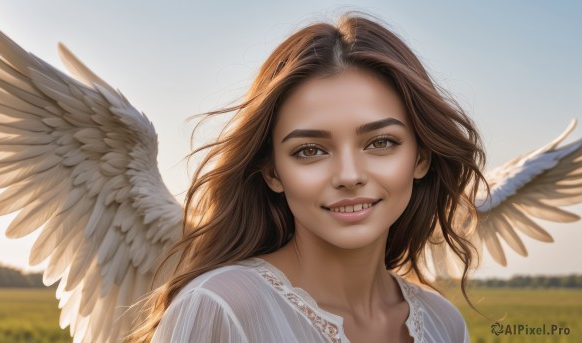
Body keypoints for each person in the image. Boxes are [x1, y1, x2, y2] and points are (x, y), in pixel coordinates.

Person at [129, 11, 484, 343]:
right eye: (310, 150)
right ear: (272, 172)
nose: (348, 176)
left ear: (420, 158)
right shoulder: (221, 307)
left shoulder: (445, 324)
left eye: (380, 142)